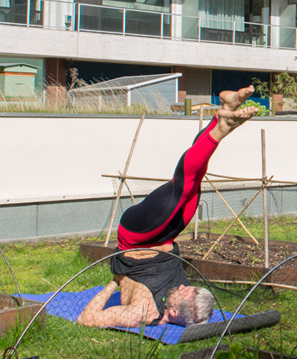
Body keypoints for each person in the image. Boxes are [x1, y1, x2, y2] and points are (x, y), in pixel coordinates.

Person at [78, 86, 258, 328]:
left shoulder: (142, 311)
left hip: (135, 238)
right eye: (188, 286)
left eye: (183, 292)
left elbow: (86, 319)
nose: (182, 285)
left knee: (180, 187)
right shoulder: (178, 293)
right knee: (193, 182)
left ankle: (221, 129)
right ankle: (225, 110)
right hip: (168, 234)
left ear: (172, 311)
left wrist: (114, 282)